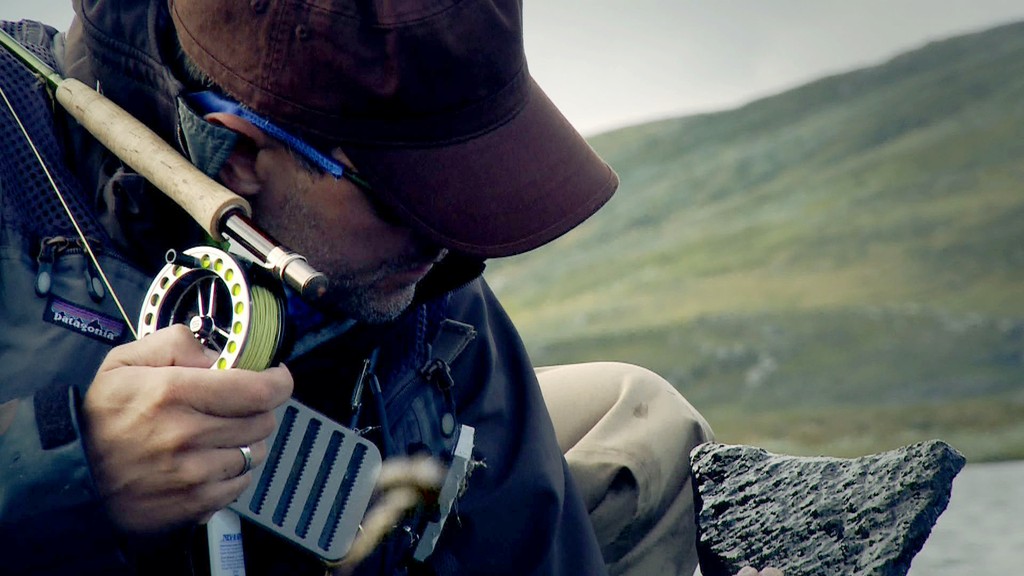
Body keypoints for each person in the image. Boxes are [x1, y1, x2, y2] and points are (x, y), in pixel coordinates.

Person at [0, 1, 718, 575]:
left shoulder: (426, 291)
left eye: (472, 180)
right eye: (404, 198)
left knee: (643, 422)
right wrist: (68, 473)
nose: (447, 238)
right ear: (240, 155)